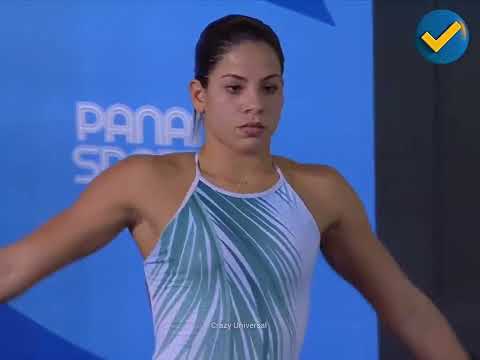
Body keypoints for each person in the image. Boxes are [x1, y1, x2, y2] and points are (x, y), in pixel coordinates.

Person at [0, 14, 470, 360]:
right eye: (234, 88)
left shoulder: (321, 192)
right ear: (199, 96)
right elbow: (14, 266)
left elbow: (406, 309)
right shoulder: (145, 182)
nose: (254, 106)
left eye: (269, 88)